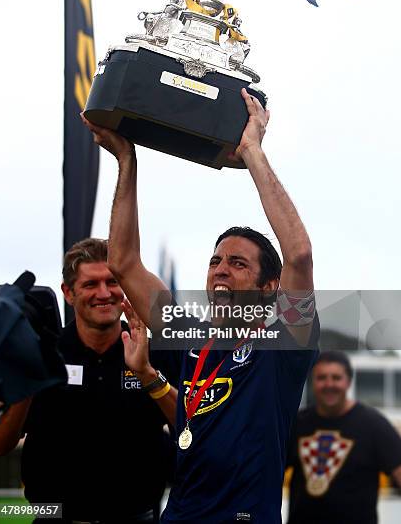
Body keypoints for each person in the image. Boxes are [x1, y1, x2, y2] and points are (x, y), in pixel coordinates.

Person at [83, 88, 319, 523]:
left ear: (270, 286)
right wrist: (126, 161)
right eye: (215, 261)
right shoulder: (189, 336)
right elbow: (123, 262)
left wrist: (251, 152)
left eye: (237, 263)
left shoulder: (286, 343)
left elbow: (299, 254)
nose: (220, 269)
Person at [0, 238, 179, 523]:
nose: (103, 293)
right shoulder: (43, 354)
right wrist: (30, 377)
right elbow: (0, 446)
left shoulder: (152, 354)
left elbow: (194, 428)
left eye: (112, 282)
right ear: (68, 293)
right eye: (91, 284)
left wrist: (147, 375)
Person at [286, 351, 401, 524]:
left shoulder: (374, 425)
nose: (329, 384)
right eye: (322, 377)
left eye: (336, 378)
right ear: (312, 382)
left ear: (348, 382)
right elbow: (267, 473)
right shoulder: (297, 424)